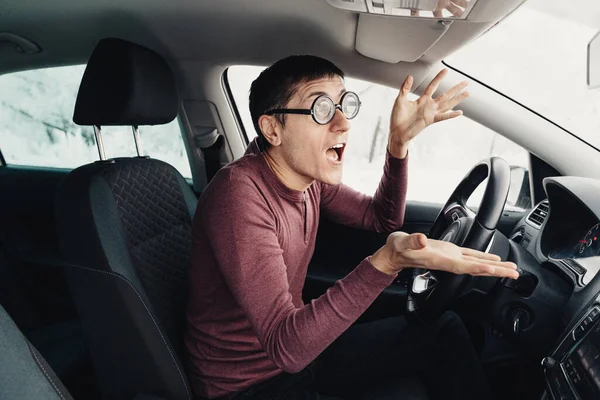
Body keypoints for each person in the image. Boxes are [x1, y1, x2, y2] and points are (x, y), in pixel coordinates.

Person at [184, 55, 519, 400]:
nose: (343, 124)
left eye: (345, 105)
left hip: (302, 356)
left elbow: (382, 218)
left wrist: (398, 145)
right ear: (273, 129)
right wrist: (387, 261)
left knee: (443, 331)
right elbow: (287, 348)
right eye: (323, 110)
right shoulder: (238, 195)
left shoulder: (307, 177)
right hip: (247, 385)